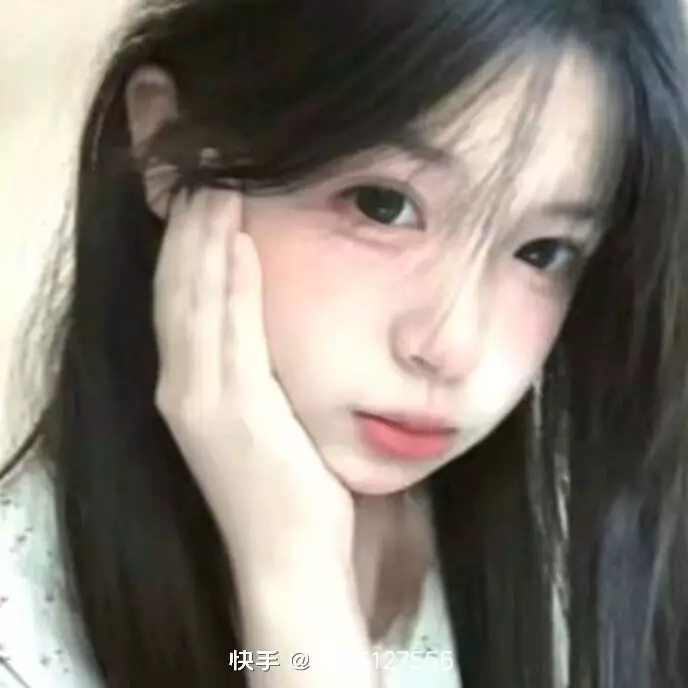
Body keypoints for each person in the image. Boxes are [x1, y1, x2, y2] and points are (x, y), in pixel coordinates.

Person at [2, 0, 688, 686]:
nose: (451, 347)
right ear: (168, 143)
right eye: (380, 205)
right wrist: (291, 580)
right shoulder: (25, 631)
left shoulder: (595, 533)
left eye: (543, 252)